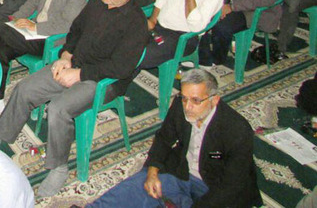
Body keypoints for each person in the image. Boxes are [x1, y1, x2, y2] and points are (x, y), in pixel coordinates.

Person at [0, 0, 149, 197]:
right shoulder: (97, 1)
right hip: (75, 64)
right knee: (24, 88)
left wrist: (79, 74)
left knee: (59, 108)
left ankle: (58, 166)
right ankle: (1, 137)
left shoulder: (136, 23)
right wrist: (66, 55)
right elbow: (76, 30)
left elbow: (120, 68)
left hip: (103, 80)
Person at [88, 69, 262, 208]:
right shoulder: (180, 105)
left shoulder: (237, 130)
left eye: (196, 100)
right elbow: (164, 138)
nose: (188, 106)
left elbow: (231, 187)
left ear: (214, 100)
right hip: (182, 173)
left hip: (215, 188)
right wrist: (152, 172)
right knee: (138, 187)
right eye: (184, 98)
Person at [0, 0, 88, 121]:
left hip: (52, 40)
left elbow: (67, 25)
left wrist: (36, 28)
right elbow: (32, 2)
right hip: (33, 33)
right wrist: (16, 19)